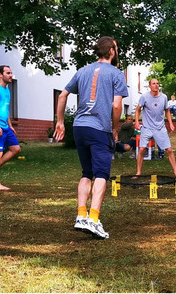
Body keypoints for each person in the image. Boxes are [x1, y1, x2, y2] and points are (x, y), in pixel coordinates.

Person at [54, 36, 127, 239]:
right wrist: (114, 128)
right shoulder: (116, 73)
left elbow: (62, 96)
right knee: (102, 174)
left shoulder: (83, 71)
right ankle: (93, 219)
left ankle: (81, 215)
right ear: (111, 51)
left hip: (79, 127)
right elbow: (116, 105)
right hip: (99, 129)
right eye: (116, 48)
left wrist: (60, 122)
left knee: (86, 173)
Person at [134, 79, 176, 180]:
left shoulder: (164, 97)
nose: (156, 85)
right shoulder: (144, 97)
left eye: (157, 83)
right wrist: (136, 121)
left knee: (169, 150)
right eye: (154, 84)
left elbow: (167, 110)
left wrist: (170, 123)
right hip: (147, 127)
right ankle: (138, 172)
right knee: (142, 149)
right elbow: (138, 110)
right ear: (150, 86)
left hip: (160, 127)